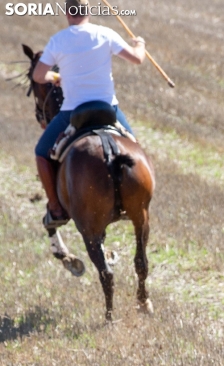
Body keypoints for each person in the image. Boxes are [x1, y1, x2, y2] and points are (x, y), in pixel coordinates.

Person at [32, 0, 146, 228]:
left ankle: (55, 208)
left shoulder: (59, 40)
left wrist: (56, 77)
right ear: (89, 12)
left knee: (41, 153)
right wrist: (140, 43)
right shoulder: (105, 34)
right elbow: (137, 58)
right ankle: (134, 197)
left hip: (73, 111)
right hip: (108, 108)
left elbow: (38, 76)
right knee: (136, 148)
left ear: (67, 14)